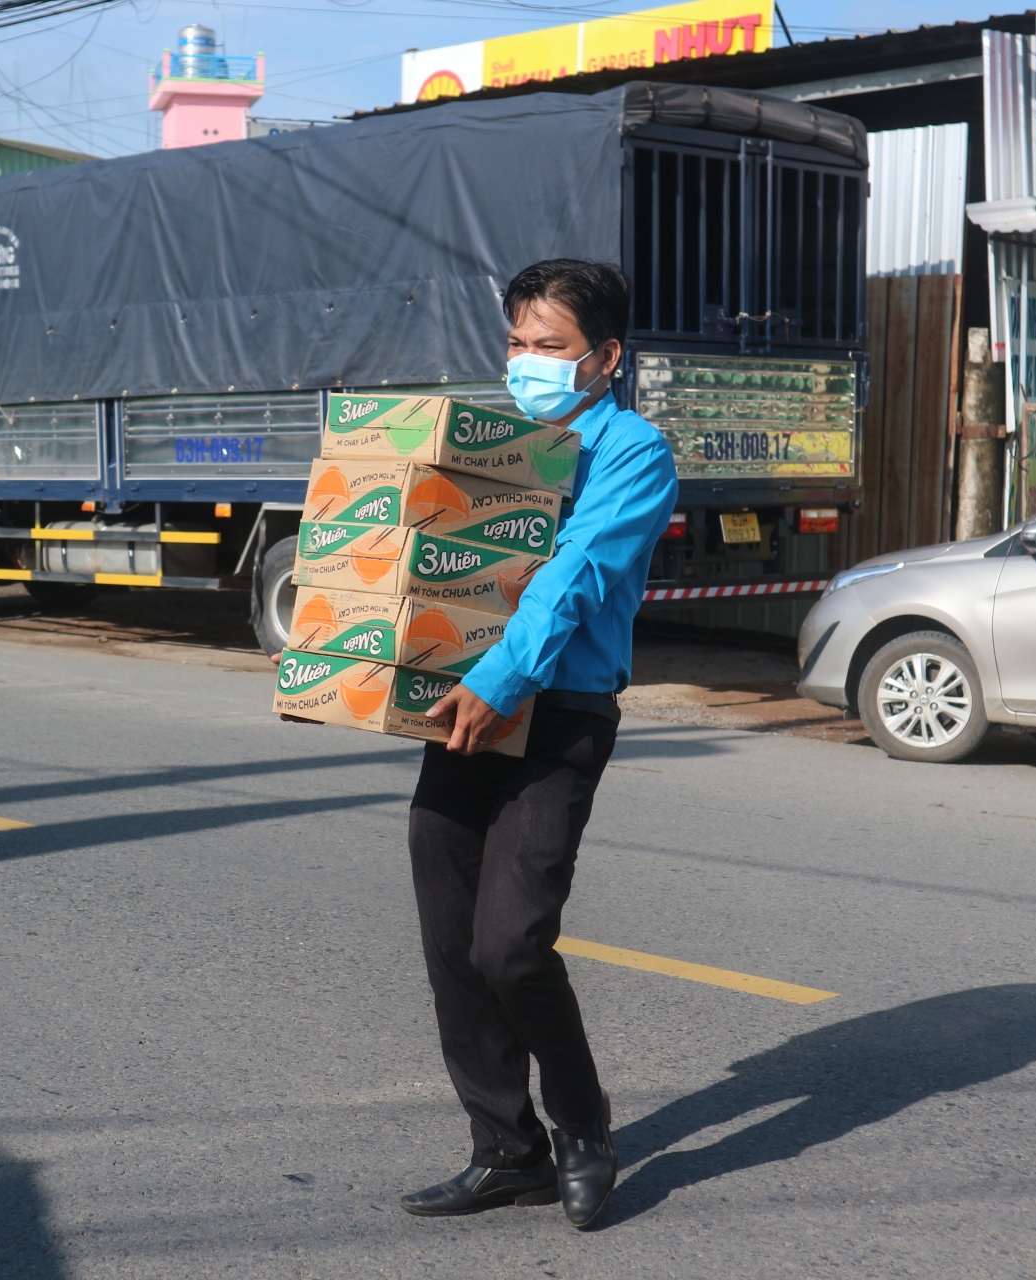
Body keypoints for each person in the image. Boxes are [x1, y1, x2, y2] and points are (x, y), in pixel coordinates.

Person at [399, 260, 678, 1230]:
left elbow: (578, 573)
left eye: (549, 347)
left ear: (604, 358)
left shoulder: (632, 450)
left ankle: (584, 1123)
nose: (526, 362)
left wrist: (503, 677)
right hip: (459, 706)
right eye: (516, 343)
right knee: (450, 944)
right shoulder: (492, 443)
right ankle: (503, 1147)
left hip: (554, 711)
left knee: (511, 942)